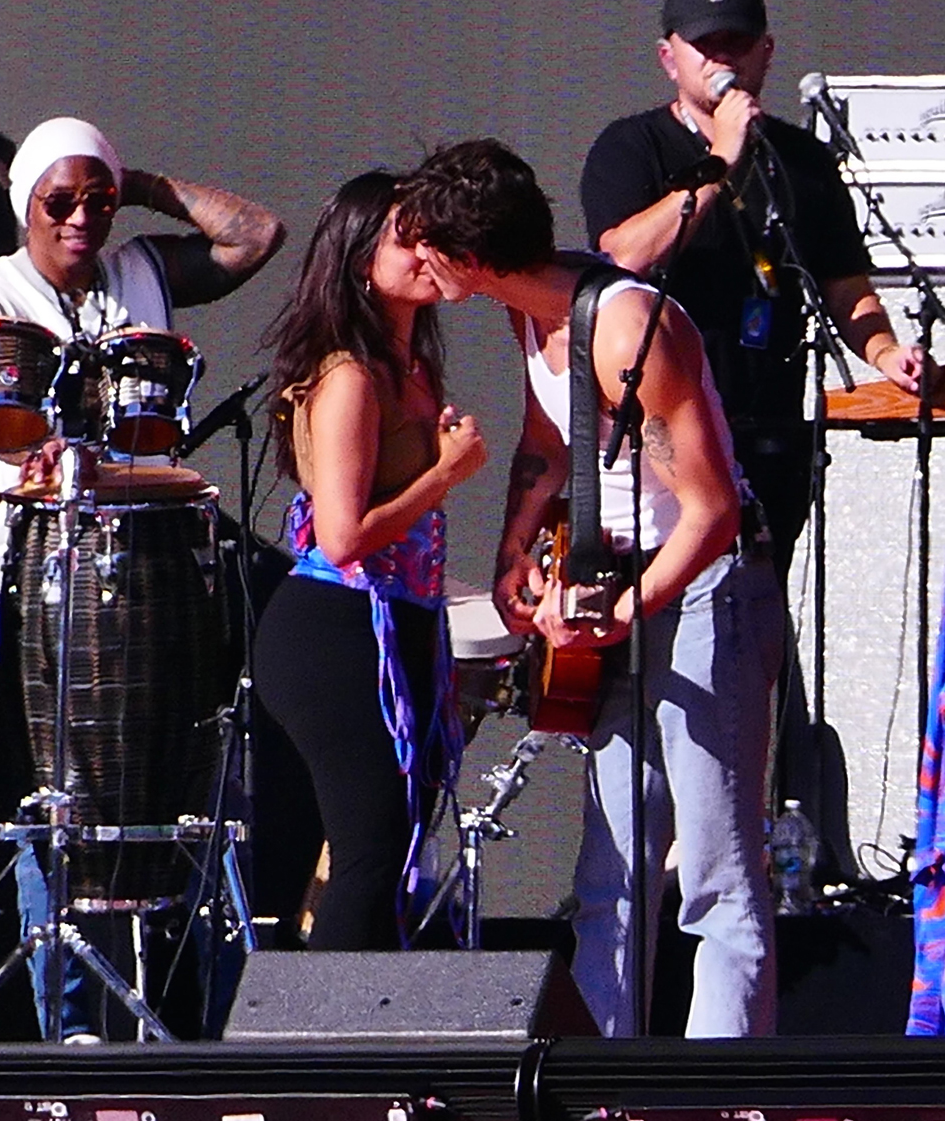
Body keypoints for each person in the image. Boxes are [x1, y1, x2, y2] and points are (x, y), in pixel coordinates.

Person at [396, 138, 784, 1036]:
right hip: (621, 578)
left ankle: (716, 1107)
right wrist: (514, 557)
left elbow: (715, 508)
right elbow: (548, 437)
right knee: (614, 869)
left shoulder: (628, 330)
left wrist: (627, 606)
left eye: (426, 249)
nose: (416, 265)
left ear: (470, 261)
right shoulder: (533, 311)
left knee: (717, 873)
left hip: (705, 588)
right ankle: (613, 1089)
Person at [0, 115, 283, 1041]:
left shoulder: (140, 269)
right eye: (62, 201)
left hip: (153, 567)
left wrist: (138, 184)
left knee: (176, 787)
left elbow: (255, 235)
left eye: (97, 201)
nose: (83, 219)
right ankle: (64, 1027)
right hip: (40, 568)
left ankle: (191, 1014)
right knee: (58, 796)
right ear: (25, 206)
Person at [579, 0, 928, 584]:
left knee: (757, 603)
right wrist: (719, 161)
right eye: (705, 45)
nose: (724, 58)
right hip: (666, 434)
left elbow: (846, 287)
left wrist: (888, 352)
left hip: (769, 429)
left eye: (737, 43)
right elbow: (621, 255)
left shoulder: (802, 160)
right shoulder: (632, 147)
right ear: (669, 59)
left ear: (765, 52)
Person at [252, 172, 487, 951]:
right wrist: (445, 475)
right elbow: (343, 536)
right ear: (360, 260)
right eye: (404, 238)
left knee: (395, 847)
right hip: (336, 630)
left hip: (394, 623)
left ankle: (368, 1042)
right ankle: (330, 1057)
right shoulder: (349, 376)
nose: (425, 253)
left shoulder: (411, 366)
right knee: (370, 847)